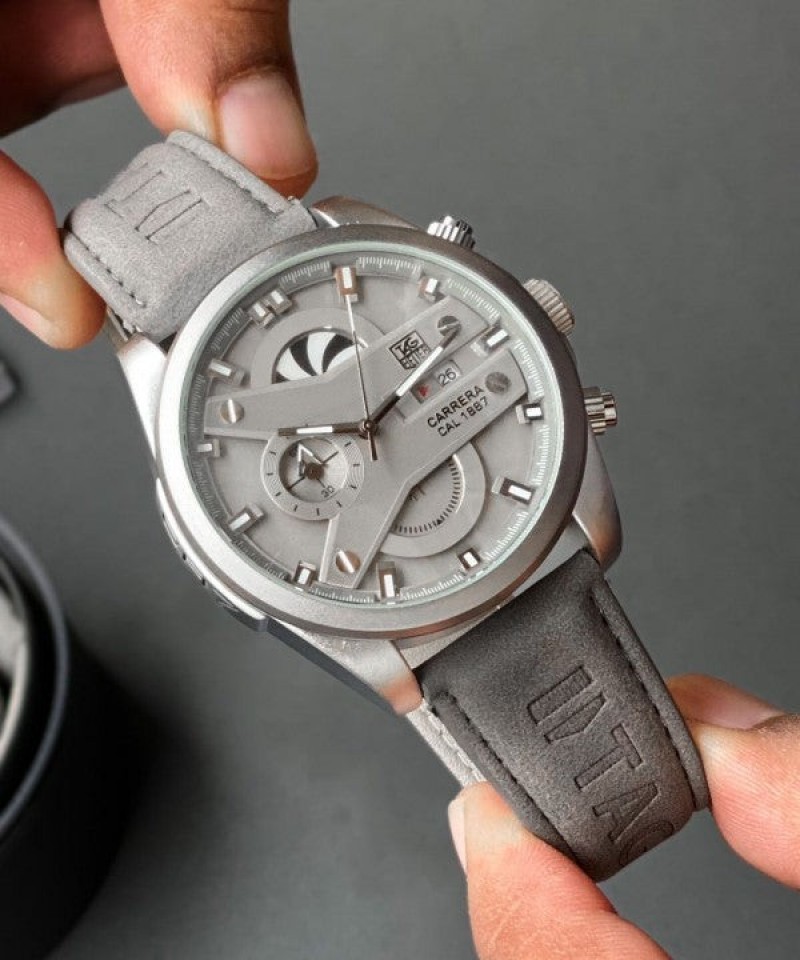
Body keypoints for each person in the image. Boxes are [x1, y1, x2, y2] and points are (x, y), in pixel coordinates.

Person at [1, 4, 797, 957]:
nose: (354, 434)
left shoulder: (335, 252)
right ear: (201, 542)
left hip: (530, 532)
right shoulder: (165, 357)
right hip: (423, 595)